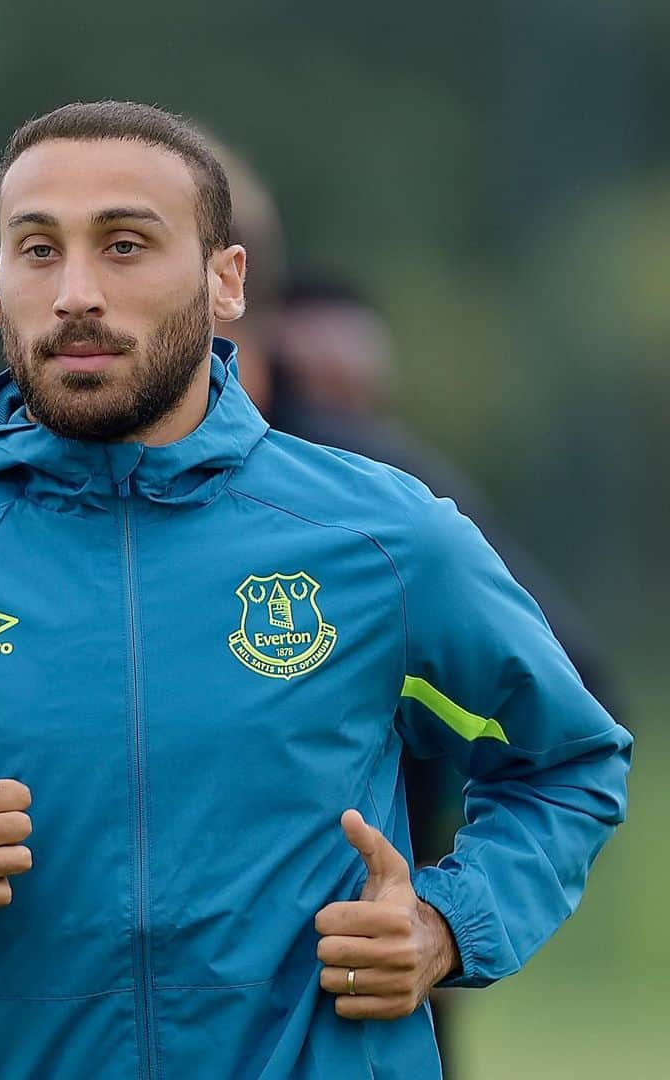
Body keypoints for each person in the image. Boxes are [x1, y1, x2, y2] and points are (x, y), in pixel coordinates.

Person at [0, 101, 632, 1080]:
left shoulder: (384, 538)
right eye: (38, 248)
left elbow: (571, 763)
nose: (76, 294)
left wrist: (451, 923)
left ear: (226, 281)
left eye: (127, 244)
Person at [262, 272, 628, 1077]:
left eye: (360, 394)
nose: (340, 418)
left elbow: (576, 708)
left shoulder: (390, 509)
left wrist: (445, 908)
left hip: (373, 955)